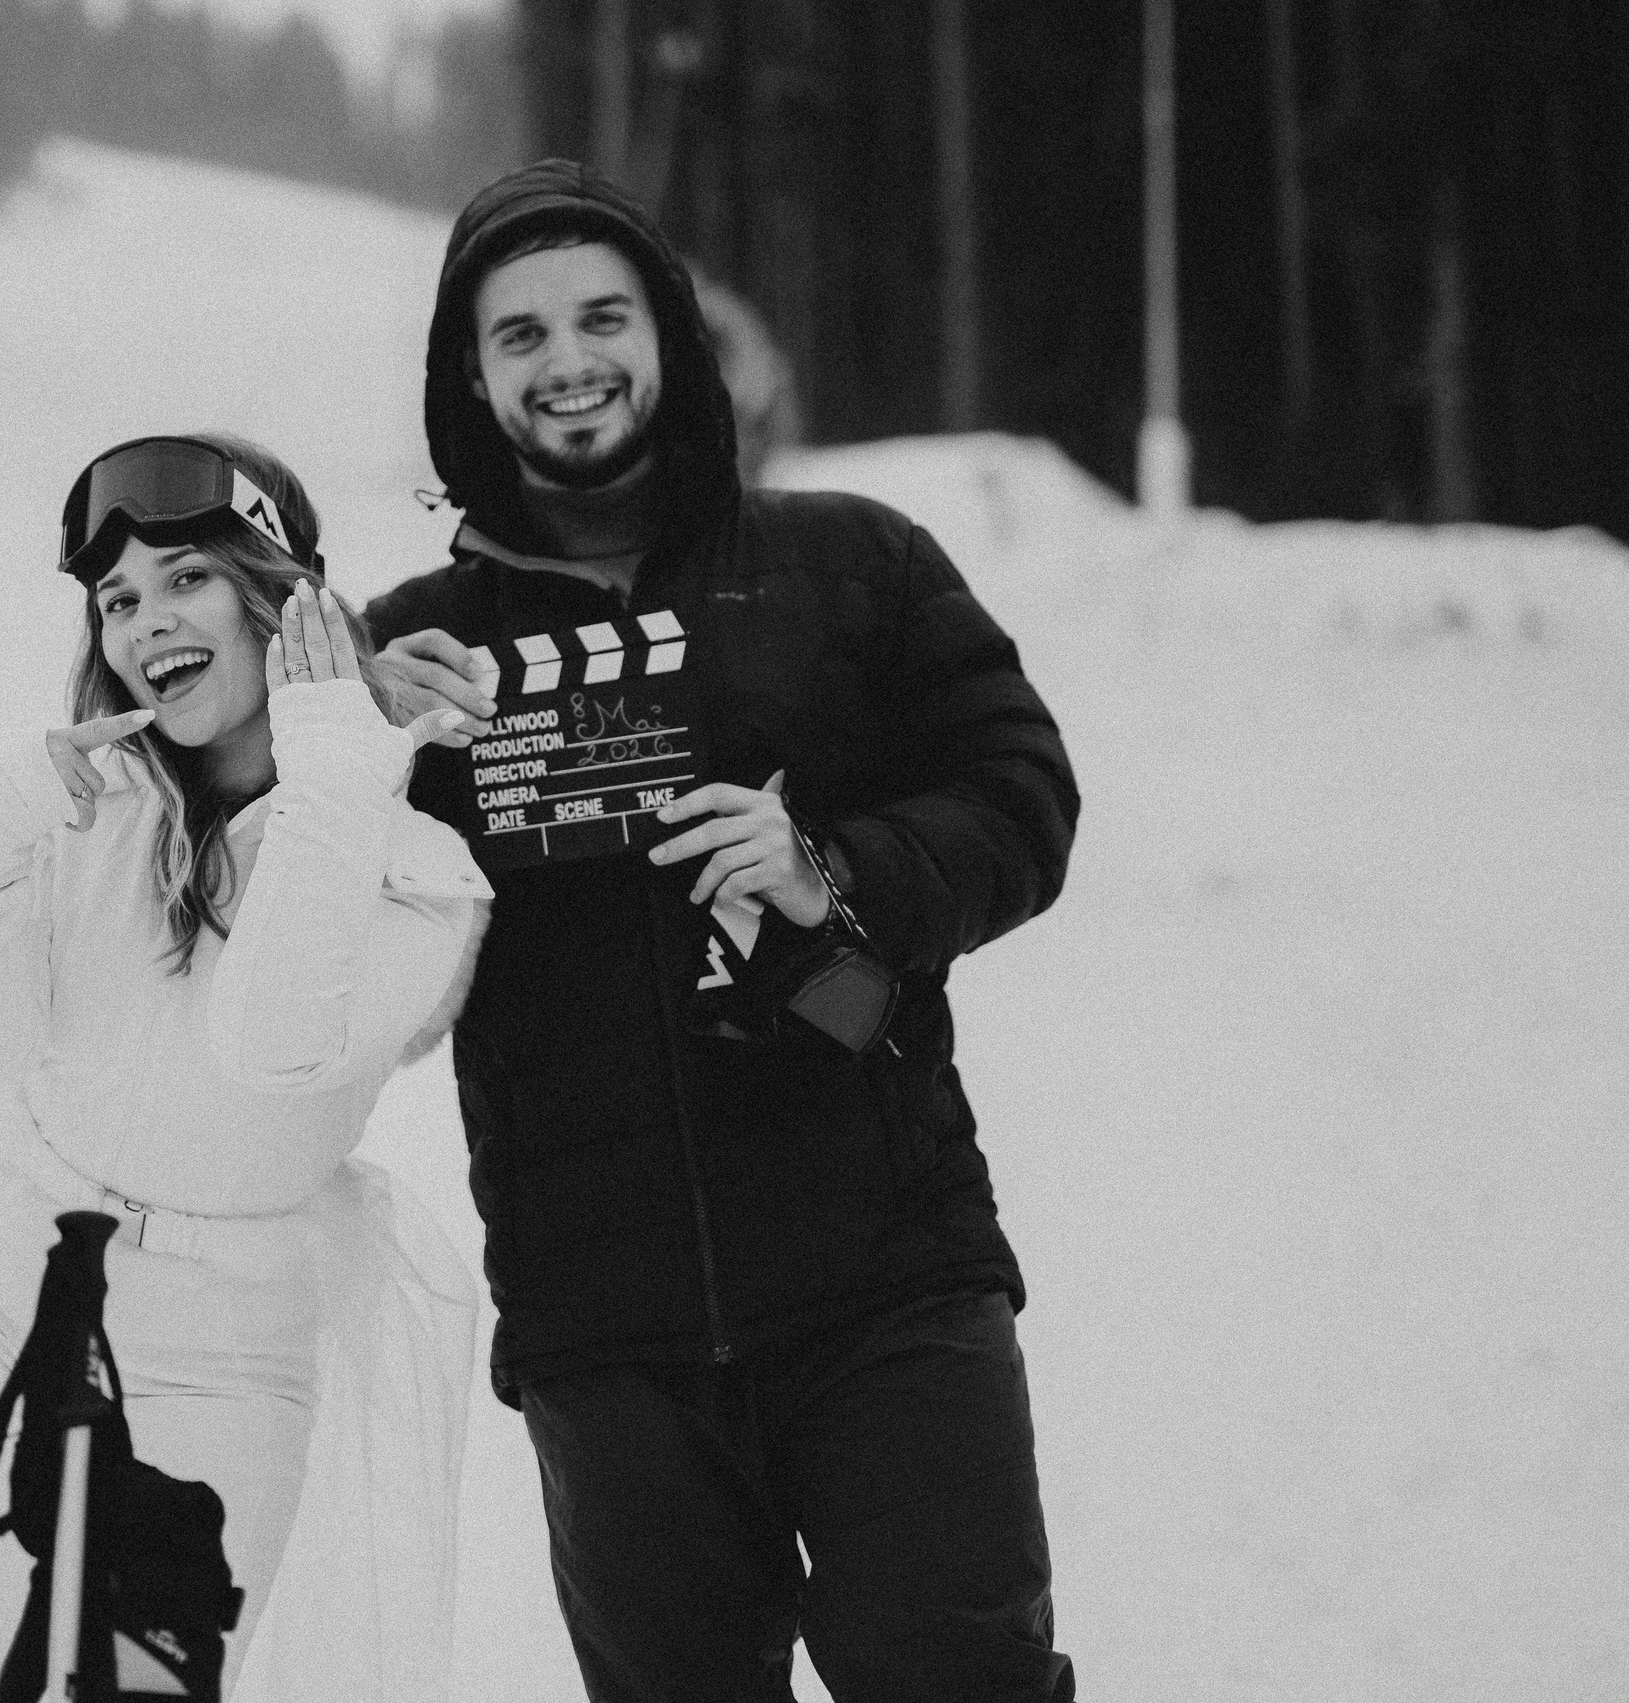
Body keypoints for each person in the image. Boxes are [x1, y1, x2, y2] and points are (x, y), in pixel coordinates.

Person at [366, 160, 1083, 1702]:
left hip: (889, 1272)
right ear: (471, 380)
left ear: (673, 339)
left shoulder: (854, 562)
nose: (568, 360)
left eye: (603, 315)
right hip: (605, 1325)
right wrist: (338, 758)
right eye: (520, 334)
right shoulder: (412, 657)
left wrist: (839, 869)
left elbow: (1023, 798)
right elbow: (306, 954)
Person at [0, 433, 490, 1702]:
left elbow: (270, 1043)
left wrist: (332, 767)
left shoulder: (421, 872)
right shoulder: (94, 802)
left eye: (188, 577)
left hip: (225, 1347)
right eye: (119, 598)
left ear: (283, 597)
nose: (148, 621)